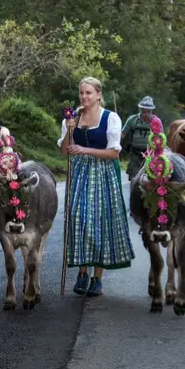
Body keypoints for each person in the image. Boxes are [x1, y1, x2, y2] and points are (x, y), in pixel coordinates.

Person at [59, 77, 135, 297]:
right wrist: (70, 131)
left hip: (103, 173)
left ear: (99, 95)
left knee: (101, 222)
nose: (84, 97)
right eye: (82, 93)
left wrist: (84, 150)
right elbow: (64, 150)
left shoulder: (110, 118)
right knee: (78, 218)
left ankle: (97, 278)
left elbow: (114, 153)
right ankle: (82, 272)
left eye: (89, 93)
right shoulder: (72, 118)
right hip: (80, 173)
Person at [121, 95, 162, 181]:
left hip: (150, 155)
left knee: (150, 178)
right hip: (135, 154)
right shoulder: (132, 119)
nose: (146, 114)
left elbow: (161, 139)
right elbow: (122, 134)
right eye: (144, 111)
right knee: (133, 178)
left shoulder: (156, 122)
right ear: (140, 110)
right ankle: (133, 194)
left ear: (152, 111)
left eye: (148, 112)